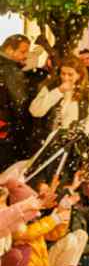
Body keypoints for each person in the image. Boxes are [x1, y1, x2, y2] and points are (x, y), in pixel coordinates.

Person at [29, 56, 89, 137]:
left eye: (70, 75)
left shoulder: (88, 91)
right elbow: (35, 111)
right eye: (63, 74)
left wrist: (83, 132)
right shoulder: (50, 87)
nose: (66, 78)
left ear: (79, 75)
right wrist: (58, 91)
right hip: (48, 137)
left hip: (73, 139)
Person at [0, 35, 31, 168]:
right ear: (9, 50)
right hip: (6, 127)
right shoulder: (10, 69)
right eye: (23, 52)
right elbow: (20, 103)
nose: (26, 56)